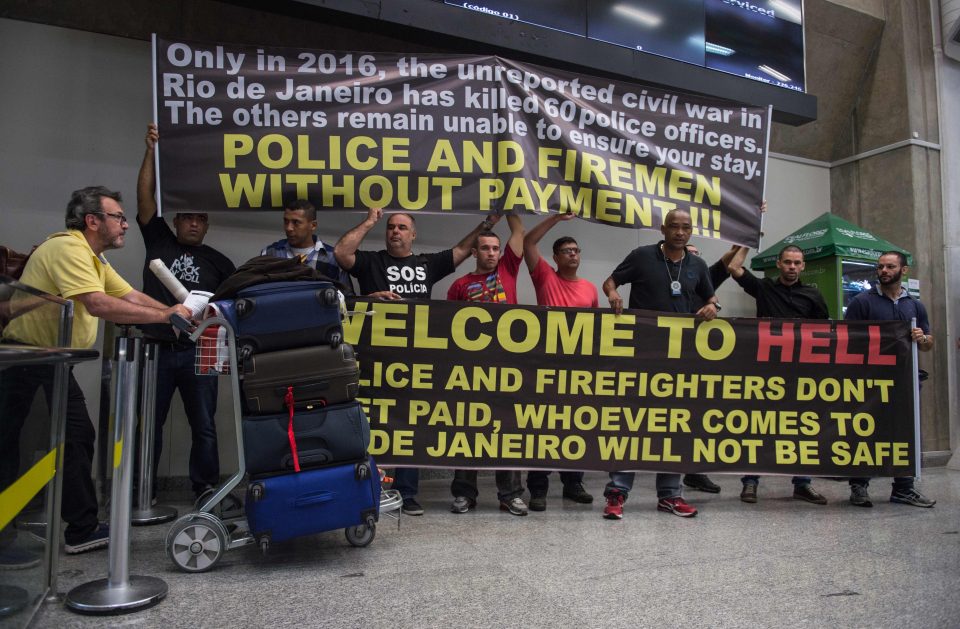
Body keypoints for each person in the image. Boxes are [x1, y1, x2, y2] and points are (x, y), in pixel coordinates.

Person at [0, 187, 192, 554]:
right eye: (118, 217)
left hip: (52, 361)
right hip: (31, 361)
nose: (125, 225)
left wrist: (176, 312)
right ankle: (70, 528)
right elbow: (97, 303)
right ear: (92, 220)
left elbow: (128, 296)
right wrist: (166, 317)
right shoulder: (69, 248)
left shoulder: (94, 258)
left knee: (66, 439)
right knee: (25, 442)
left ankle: (79, 527)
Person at [334, 208, 494, 515]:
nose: (395, 231)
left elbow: (461, 250)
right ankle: (370, 489)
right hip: (374, 359)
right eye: (391, 227)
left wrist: (487, 223)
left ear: (413, 234)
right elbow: (342, 252)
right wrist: (370, 221)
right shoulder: (372, 262)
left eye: (402, 227)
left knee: (410, 425)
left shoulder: (427, 264)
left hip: (415, 361)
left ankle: (407, 494)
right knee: (370, 423)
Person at [137, 123, 236, 500]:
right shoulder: (159, 240)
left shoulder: (220, 262)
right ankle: (139, 491)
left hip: (199, 352)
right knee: (148, 424)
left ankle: (205, 488)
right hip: (156, 348)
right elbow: (145, 199)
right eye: (187, 217)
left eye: (200, 218)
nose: (194, 223)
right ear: (176, 221)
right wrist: (150, 151)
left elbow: (229, 309)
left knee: (204, 425)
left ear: (206, 225)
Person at [601, 208, 718, 519]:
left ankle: (669, 495)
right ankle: (617, 492)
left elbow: (711, 298)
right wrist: (613, 296)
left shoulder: (698, 265)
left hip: (680, 359)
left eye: (686, 228)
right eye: (675, 227)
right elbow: (609, 282)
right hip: (641, 355)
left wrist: (711, 306)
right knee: (632, 422)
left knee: (674, 425)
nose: (680, 232)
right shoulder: (641, 256)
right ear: (663, 228)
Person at [726, 243, 831, 505]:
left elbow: (828, 336)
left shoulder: (814, 296)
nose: (792, 267)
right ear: (779, 264)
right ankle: (750, 482)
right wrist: (747, 240)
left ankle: (802, 484)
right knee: (759, 427)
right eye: (787, 262)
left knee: (803, 428)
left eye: (797, 263)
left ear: (803, 266)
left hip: (802, 374)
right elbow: (733, 267)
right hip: (767, 372)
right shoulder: (765, 288)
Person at [446, 214, 528, 516]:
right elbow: (449, 331)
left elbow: (519, 229)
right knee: (468, 431)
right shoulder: (459, 286)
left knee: (507, 432)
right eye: (486, 248)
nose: (492, 253)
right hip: (470, 373)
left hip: (508, 370)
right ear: (474, 252)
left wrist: (510, 200)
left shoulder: (509, 269)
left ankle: (511, 494)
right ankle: (464, 494)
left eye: (496, 248)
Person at [844, 251, 935, 508]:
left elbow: (929, 343)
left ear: (903, 270)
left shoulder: (915, 306)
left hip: (905, 382)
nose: (884, 270)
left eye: (890, 266)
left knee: (906, 433)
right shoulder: (862, 302)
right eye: (881, 266)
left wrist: (923, 339)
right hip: (870, 381)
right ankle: (859, 486)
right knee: (865, 432)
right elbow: (848, 340)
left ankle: (903, 487)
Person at [521, 213, 598, 511]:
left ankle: (572, 483)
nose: (574, 255)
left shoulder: (590, 289)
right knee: (542, 426)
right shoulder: (545, 275)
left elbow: (595, 330)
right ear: (555, 257)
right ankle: (538, 488)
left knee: (573, 426)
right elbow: (528, 241)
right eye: (567, 251)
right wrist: (557, 218)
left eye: (577, 250)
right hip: (546, 365)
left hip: (577, 369)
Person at [260, 198, 354, 294]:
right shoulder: (269, 254)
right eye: (286, 221)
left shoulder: (332, 258)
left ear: (313, 225)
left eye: (296, 222)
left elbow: (347, 298)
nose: (289, 228)